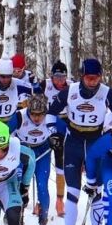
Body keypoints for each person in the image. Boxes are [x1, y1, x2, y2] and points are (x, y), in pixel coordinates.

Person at [47, 58, 112, 225]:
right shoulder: (70, 91)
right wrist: (53, 133)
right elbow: (51, 112)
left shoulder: (107, 93)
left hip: (95, 144)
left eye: (96, 78)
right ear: (82, 76)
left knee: (96, 192)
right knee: (73, 192)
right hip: (73, 143)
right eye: (89, 78)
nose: (93, 82)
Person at [10, 93, 55, 225]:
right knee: (19, 185)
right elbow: (4, 132)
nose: (36, 118)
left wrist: (57, 140)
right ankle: (17, 220)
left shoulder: (50, 117)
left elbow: (63, 131)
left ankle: (43, 223)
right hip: (22, 151)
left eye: (40, 115)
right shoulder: (20, 116)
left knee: (43, 186)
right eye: (33, 114)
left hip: (42, 151)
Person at [41, 61, 69, 216]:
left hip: (63, 126)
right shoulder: (44, 85)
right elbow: (34, 100)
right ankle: (40, 200)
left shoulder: (72, 86)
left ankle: (60, 200)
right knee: (42, 164)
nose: (59, 80)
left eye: (62, 77)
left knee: (61, 164)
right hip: (46, 125)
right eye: (56, 77)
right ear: (51, 76)